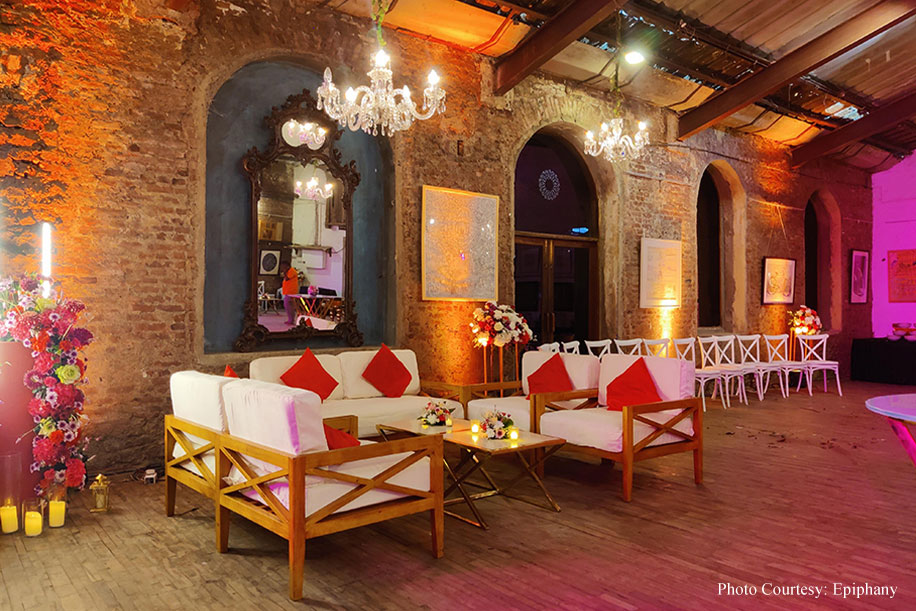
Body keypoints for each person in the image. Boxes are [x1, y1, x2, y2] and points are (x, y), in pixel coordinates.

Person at [280, 261, 300, 325]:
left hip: (291, 292)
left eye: (283, 266)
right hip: (288, 291)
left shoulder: (292, 271)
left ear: (287, 266)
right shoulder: (289, 271)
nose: (282, 268)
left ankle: (291, 320)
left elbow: (287, 278)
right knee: (289, 306)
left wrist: (285, 271)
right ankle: (291, 319)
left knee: (288, 305)